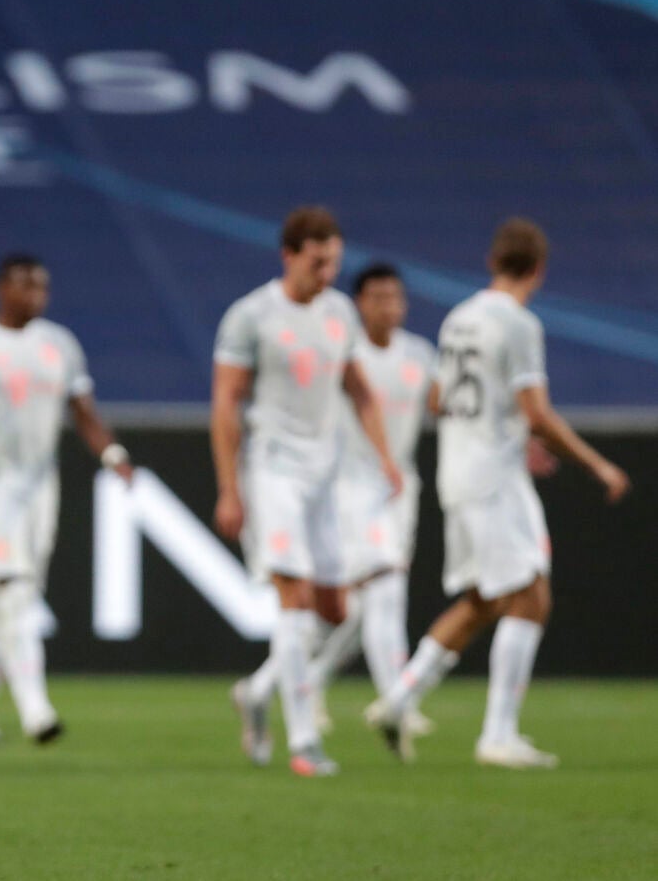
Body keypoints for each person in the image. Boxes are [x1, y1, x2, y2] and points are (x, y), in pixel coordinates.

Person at [367, 219, 630, 767]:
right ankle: (498, 735)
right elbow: (538, 411)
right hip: (492, 478)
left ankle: (398, 700)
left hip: (458, 473)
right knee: (532, 594)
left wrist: (510, 430)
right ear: (537, 269)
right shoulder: (519, 324)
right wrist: (597, 463)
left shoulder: (459, 318)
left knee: (484, 600)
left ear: (492, 262)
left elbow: (439, 398)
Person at [213, 207, 405, 777]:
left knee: (333, 607)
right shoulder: (252, 316)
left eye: (334, 262)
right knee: (292, 597)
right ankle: (303, 741)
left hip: (327, 474)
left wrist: (386, 457)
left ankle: (257, 691)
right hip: (273, 469)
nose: (327, 273)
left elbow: (360, 392)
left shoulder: (339, 312)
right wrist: (230, 487)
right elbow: (225, 404)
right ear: (289, 255)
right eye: (318, 261)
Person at [0, 255, 135, 745]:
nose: (35, 296)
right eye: (25, 286)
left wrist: (113, 454)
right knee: (12, 590)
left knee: (7, 601)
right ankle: (36, 709)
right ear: (1, 288)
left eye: (42, 287)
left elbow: (84, 412)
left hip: (40, 485)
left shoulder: (59, 345)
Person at [295, 264, 437, 737]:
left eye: (395, 297)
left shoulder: (419, 354)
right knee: (387, 590)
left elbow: (448, 407)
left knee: (361, 610)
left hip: (401, 489)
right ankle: (398, 701)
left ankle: (305, 681)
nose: (388, 306)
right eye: (377, 297)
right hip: (351, 488)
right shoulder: (344, 353)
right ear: (360, 303)